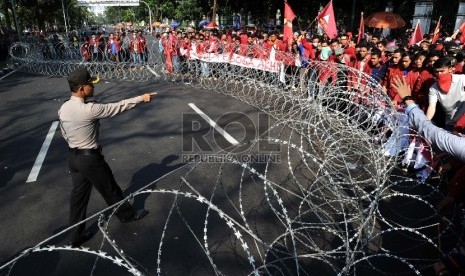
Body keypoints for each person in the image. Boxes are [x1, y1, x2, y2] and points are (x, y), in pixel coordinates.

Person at [58, 68, 155, 247]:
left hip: (73, 156)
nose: (93, 87)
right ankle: (127, 215)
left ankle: (76, 235)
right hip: (89, 158)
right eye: (89, 85)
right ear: (81, 88)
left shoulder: (64, 107)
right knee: (110, 188)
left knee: (78, 197)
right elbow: (116, 107)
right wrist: (141, 98)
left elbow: (64, 133)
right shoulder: (89, 109)